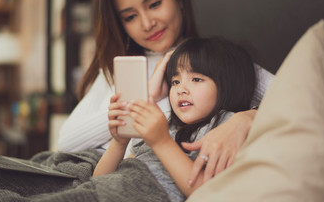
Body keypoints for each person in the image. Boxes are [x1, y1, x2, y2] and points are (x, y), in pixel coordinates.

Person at [58, 0, 273, 186]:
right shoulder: (119, 66)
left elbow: (296, 98)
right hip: (102, 170)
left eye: (155, 4)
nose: (147, 23)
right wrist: (143, 101)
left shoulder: (214, 59)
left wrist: (244, 120)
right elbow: (66, 142)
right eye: (130, 17)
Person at [93, 37, 257, 201]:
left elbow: (206, 193)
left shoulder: (226, 128)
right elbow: (99, 182)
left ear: (228, 86)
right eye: (175, 81)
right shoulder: (163, 126)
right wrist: (119, 143)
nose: (181, 89)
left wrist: (161, 142)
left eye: (196, 79)